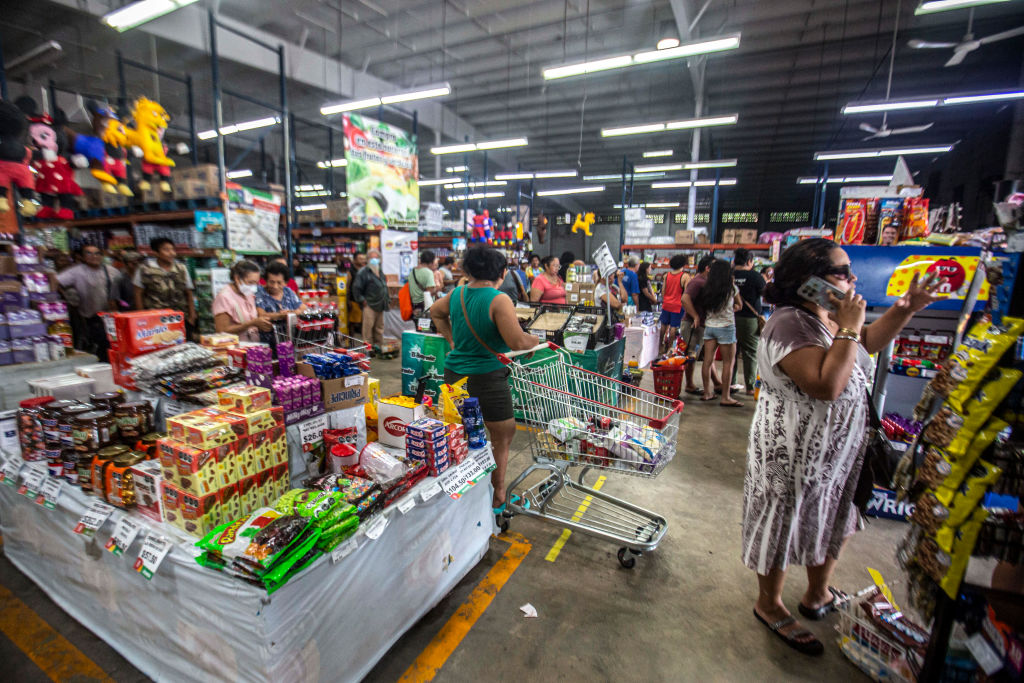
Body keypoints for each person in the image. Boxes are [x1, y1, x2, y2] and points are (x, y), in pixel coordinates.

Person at [742, 238, 945, 656]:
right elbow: (826, 384)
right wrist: (849, 325)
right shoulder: (788, 323)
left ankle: (818, 594)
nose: (852, 279)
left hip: (835, 450)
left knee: (834, 513)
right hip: (792, 451)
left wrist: (904, 309)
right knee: (784, 519)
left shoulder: (825, 315)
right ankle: (770, 603)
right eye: (841, 271)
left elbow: (862, 345)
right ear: (808, 281)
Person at [430, 247, 540, 513]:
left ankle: (464, 491)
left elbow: (435, 312)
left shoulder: (457, 293)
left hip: (455, 374)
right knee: (502, 434)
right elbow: (517, 341)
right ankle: (498, 495)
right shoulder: (499, 299)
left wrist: (452, 339)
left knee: (465, 435)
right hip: (486, 377)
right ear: (502, 272)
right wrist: (537, 340)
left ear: (469, 270)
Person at [57, 244, 121, 361]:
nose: (94, 256)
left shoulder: (111, 271)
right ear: (82, 257)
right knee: (101, 348)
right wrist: (67, 297)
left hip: (113, 316)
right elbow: (56, 282)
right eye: (89, 253)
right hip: (92, 318)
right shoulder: (76, 272)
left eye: (97, 253)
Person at [698, 259, 743, 407]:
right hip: (726, 327)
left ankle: (706, 393)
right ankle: (725, 397)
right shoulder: (731, 288)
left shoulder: (707, 288)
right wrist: (731, 309)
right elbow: (739, 305)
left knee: (707, 362)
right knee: (728, 363)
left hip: (710, 327)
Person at [134, 237, 197, 337]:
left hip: (179, 317)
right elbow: (138, 293)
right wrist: (142, 317)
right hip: (155, 320)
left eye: (173, 249)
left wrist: (192, 316)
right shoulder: (145, 269)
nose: (172, 253)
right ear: (156, 252)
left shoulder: (181, 268)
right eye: (166, 250)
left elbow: (189, 293)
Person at [681, 256, 720, 395]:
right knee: (691, 355)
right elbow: (685, 299)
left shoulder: (705, 282)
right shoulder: (697, 282)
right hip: (693, 326)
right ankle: (690, 384)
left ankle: (717, 383)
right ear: (707, 268)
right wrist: (695, 316)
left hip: (702, 325)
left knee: (708, 356)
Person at [732, 248, 766, 396]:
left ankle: (731, 383)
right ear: (749, 261)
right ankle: (750, 387)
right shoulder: (755, 276)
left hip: (729, 318)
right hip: (749, 320)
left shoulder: (728, 275)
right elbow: (766, 295)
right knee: (750, 353)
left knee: (731, 353)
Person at [212, 259, 272, 342]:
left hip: (252, 347)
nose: (254, 286)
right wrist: (251, 323)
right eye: (250, 282)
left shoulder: (248, 293)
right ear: (237, 278)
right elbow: (221, 331)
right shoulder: (224, 297)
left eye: (256, 283)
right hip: (234, 349)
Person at [255, 261, 306, 344]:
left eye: (279, 283)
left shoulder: (288, 291)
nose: (275, 286)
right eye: (271, 282)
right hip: (268, 342)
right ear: (266, 280)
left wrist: (292, 312)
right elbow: (261, 314)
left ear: (285, 282)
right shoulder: (260, 293)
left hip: (290, 340)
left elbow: (303, 307)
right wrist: (281, 315)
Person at [351, 248, 389, 349]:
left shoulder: (380, 271)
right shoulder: (363, 272)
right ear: (367, 259)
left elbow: (384, 286)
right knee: (368, 330)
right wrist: (362, 300)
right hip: (369, 305)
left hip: (380, 304)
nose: (374, 260)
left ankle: (378, 348)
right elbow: (356, 288)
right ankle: (368, 350)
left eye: (376, 258)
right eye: (372, 258)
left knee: (379, 329)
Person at [659, 254, 690, 353]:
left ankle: (660, 345)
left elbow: (663, 291)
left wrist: (666, 299)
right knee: (673, 327)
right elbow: (687, 293)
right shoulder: (685, 276)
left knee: (663, 325)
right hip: (678, 305)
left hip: (666, 304)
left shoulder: (667, 275)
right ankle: (669, 348)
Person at [408, 250, 439, 316]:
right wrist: (437, 289)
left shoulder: (412, 271)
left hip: (414, 306)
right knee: (428, 325)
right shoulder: (428, 272)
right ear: (431, 262)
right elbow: (430, 292)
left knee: (418, 325)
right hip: (425, 306)